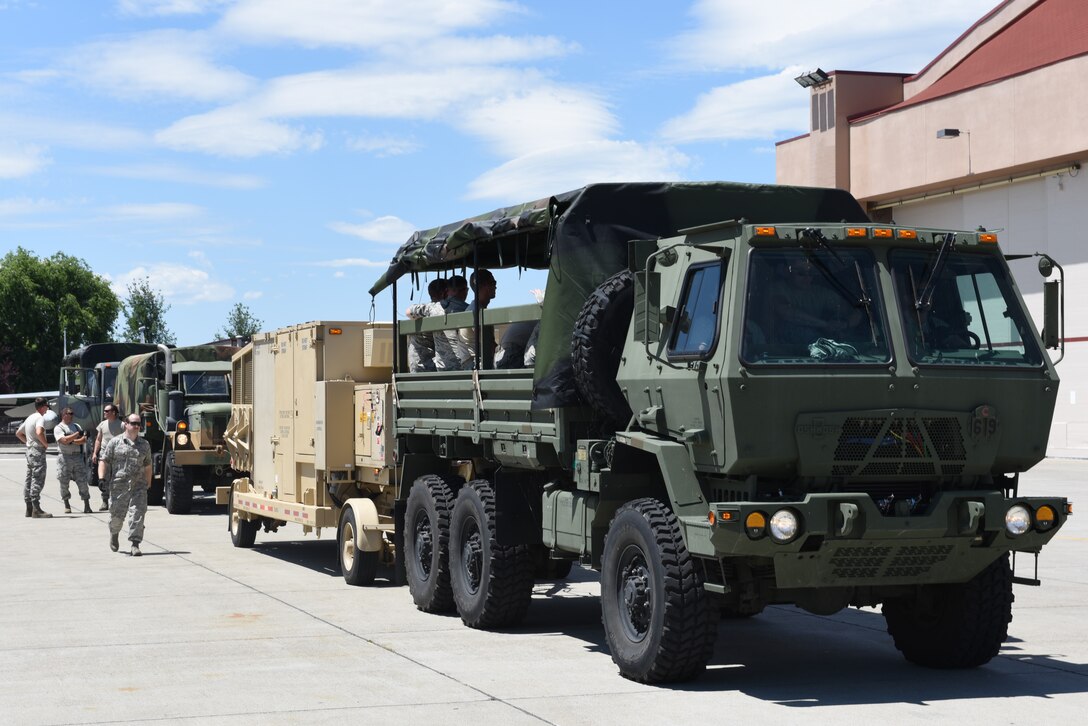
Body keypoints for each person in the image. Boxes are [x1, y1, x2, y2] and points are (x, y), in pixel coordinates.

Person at [99, 413, 152, 556]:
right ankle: (114, 534)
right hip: (119, 485)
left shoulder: (144, 444)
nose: (136, 426)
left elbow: (148, 465)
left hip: (139, 486)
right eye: (133, 423)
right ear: (126, 424)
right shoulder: (115, 442)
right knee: (116, 516)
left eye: (138, 424)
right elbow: (104, 460)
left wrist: (148, 483)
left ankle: (135, 544)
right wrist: (101, 478)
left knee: (138, 514)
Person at [15, 397, 52, 518]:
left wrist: (27, 443)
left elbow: (18, 433)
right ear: (43, 407)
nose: (47, 409)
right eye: (46, 406)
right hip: (37, 451)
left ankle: (29, 508)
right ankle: (36, 509)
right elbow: (39, 432)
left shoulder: (30, 417)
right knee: (38, 478)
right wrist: (45, 444)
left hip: (30, 451)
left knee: (29, 478)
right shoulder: (40, 418)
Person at [404, 278, 448, 372]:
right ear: (444, 292)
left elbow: (408, 312)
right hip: (427, 365)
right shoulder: (437, 309)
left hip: (416, 364)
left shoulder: (424, 309)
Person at [54, 408, 93, 514]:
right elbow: (63, 440)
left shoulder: (76, 426)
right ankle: (66, 503)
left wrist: (71, 440)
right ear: (63, 415)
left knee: (82, 481)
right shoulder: (59, 428)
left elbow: (83, 440)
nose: (71, 415)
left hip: (78, 457)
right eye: (69, 413)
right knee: (64, 481)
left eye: (72, 413)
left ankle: (87, 504)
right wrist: (76, 435)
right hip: (65, 457)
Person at [460, 269, 498, 369]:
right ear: (484, 285)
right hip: (475, 363)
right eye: (493, 283)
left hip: (478, 361)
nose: (495, 286)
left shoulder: (478, 309)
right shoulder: (474, 311)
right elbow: (489, 344)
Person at [92, 404, 123, 511]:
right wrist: (95, 453)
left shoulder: (122, 425)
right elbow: (98, 440)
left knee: (118, 479)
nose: (104, 412)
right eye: (104, 411)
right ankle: (105, 501)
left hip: (118, 456)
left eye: (107, 411)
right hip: (105, 455)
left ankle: (117, 502)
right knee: (104, 478)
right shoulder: (102, 424)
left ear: (113, 412)